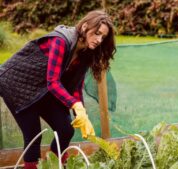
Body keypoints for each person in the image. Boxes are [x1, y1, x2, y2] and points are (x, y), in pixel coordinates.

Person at [0, 10, 116, 169]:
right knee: (33, 134)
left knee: (65, 129)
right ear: (84, 27)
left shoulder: (86, 52)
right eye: (97, 33)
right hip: (17, 84)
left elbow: (76, 86)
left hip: (42, 88)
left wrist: (80, 112)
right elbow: (53, 82)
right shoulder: (60, 41)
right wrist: (74, 105)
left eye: (102, 37)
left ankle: (54, 165)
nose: (98, 39)